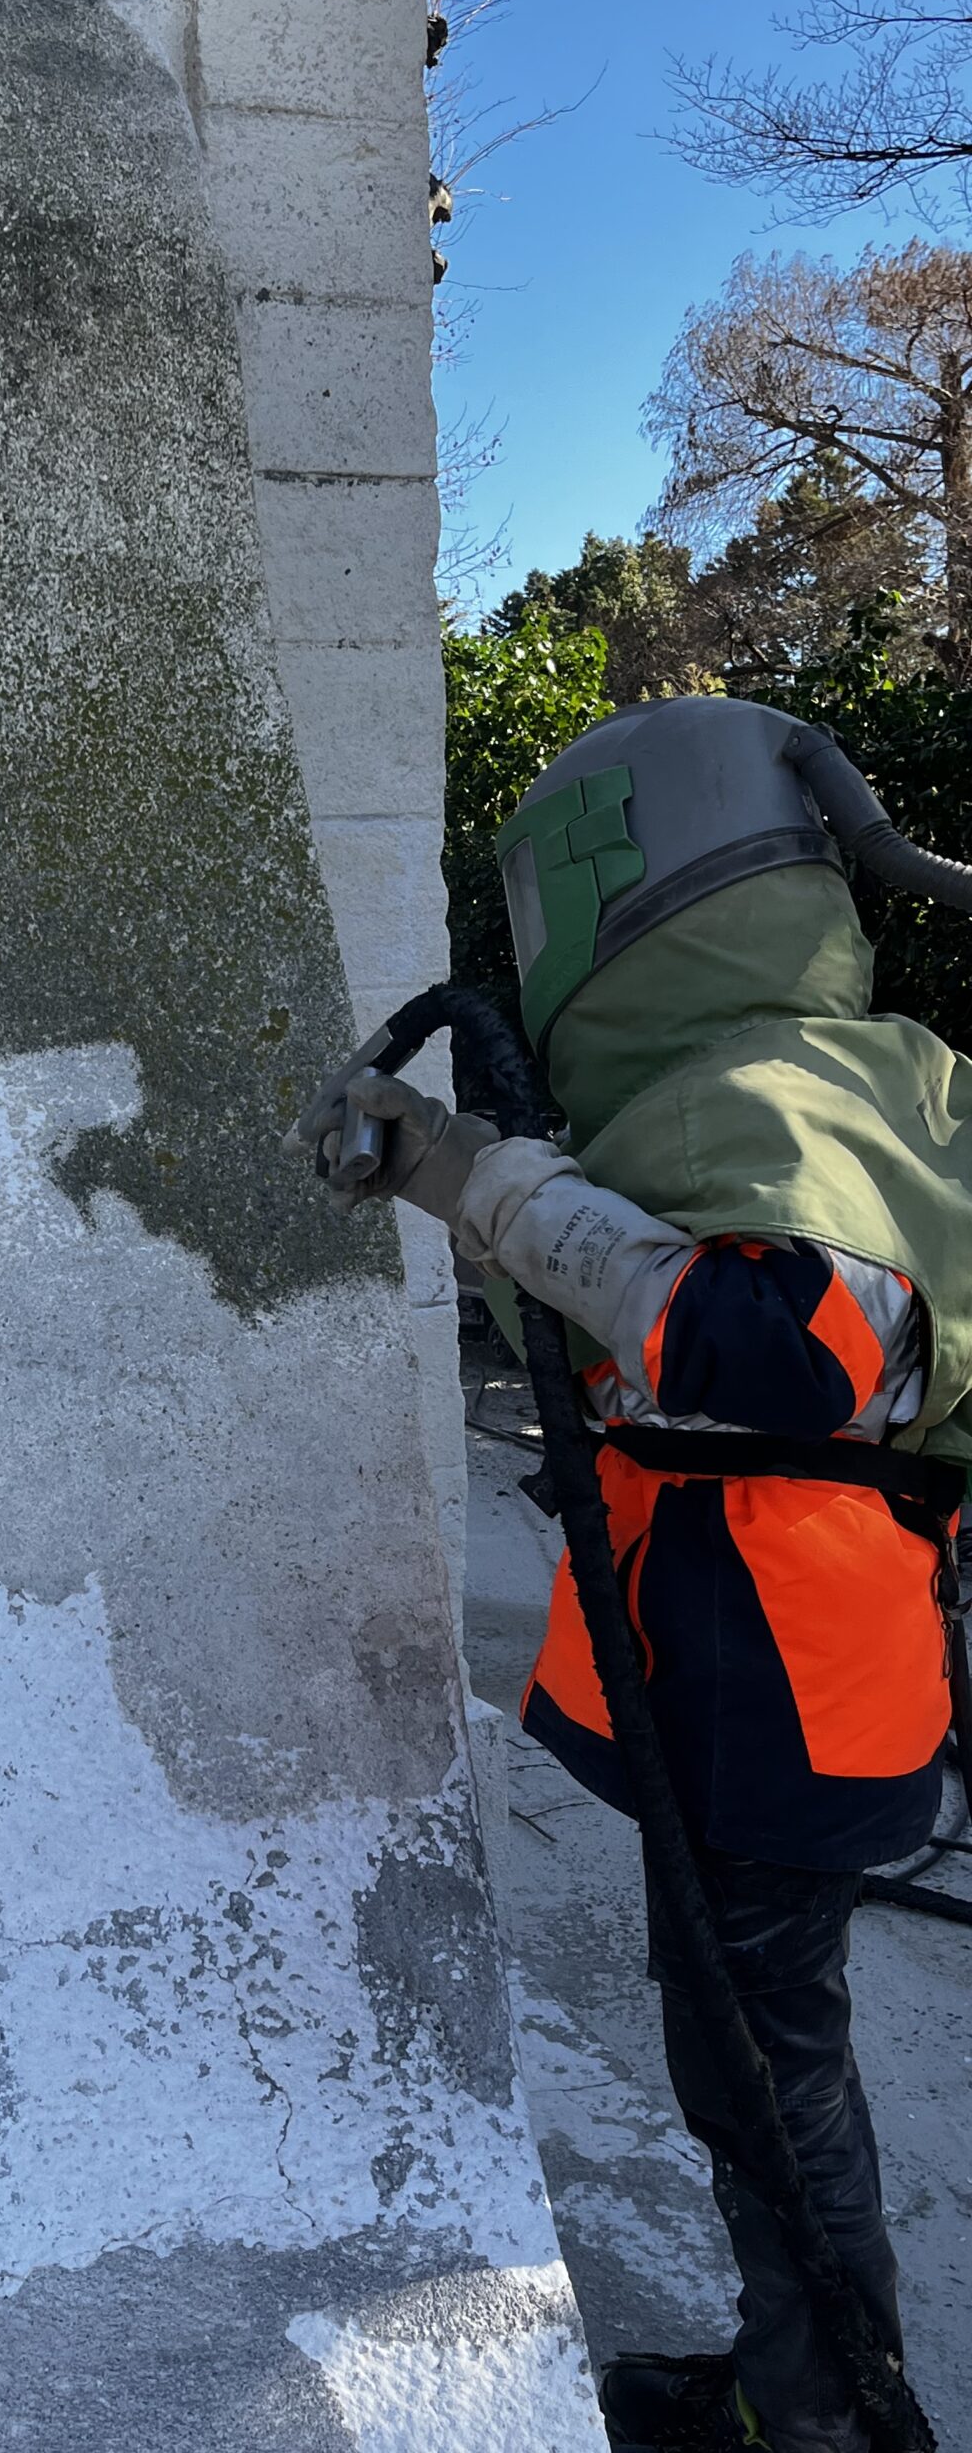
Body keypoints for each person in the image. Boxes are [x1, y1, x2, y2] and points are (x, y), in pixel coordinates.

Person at [304, 698, 972, 2453]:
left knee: (767, 2083)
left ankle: (825, 2418)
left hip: (784, 1699)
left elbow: (791, 1351)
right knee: (753, 2061)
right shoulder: (869, 1084)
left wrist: (495, 1187)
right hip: (780, 1681)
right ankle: (793, 2383)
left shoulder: (779, 1096)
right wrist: (472, 1182)